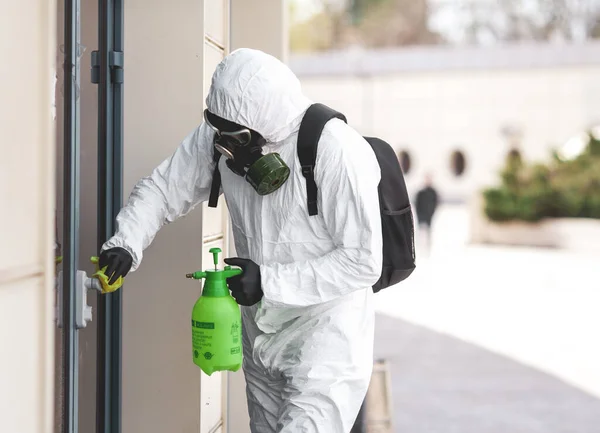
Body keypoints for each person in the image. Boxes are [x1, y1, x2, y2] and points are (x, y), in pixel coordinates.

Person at [98, 48, 383, 433]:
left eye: (234, 139)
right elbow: (164, 189)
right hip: (260, 333)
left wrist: (267, 281)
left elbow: (363, 261)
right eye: (218, 134)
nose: (223, 148)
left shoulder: (336, 152)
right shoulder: (223, 132)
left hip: (325, 336)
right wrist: (126, 241)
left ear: (264, 130)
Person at [414, 173, 439, 254]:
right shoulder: (421, 192)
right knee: (421, 233)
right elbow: (417, 204)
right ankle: (420, 249)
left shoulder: (433, 192)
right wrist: (419, 216)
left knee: (428, 233)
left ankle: (427, 249)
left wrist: (431, 213)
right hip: (422, 216)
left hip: (429, 216)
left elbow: (435, 203)